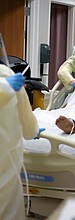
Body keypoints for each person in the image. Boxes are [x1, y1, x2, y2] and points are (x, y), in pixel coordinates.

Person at [0, 64, 44, 220]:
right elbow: (27, 121)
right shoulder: (6, 77)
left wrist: (33, 130)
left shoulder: (6, 74)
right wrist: (33, 131)